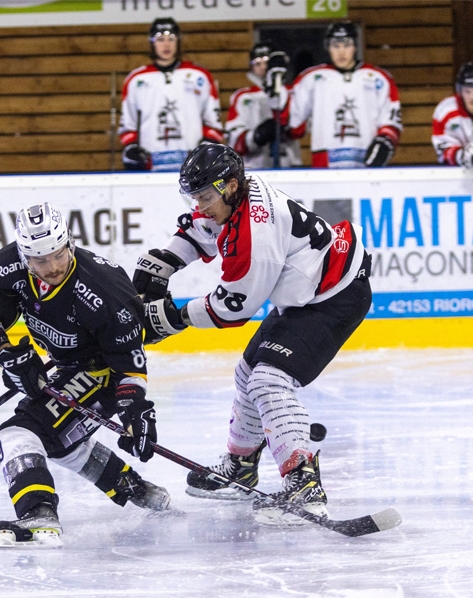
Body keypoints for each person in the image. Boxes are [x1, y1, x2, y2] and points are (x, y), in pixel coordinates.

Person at [132, 144, 372, 522]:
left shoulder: (255, 235)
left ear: (228, 186)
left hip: (333, 297)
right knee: (247, 373)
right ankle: (241, 467)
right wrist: (166, 260)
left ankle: (304, 486)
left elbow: (234, 307)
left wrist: (171, 318)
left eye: (205, 196)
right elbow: (206, 226)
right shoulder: (237, 195)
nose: (200, 206)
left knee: (268, 380)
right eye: (194, 197)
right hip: (309, 292)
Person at [0, 202, 170, 547]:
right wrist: (6, 353)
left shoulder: (105, 290)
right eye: (41, 260)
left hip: (103, 371)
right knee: (59, 443)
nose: (53, 266)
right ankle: (135, 488)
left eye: (58, 255)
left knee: (17, 435)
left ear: (69, 243)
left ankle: (39, 513)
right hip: (67, 364)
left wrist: (133, 410)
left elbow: (129, 365)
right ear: (26, 256)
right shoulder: (7, 266)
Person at [286, 21, 403, 168]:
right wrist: (278, 98)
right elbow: (293, 125)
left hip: (367, 158)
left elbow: (391, 120)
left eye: (347, 45)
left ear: (355, 46)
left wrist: (386, 140)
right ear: (328, 47)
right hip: (325, 160)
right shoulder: (310, 79)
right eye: (336, 46)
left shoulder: (379, 78)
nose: (341, 52)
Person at [118, 17, 224, 171]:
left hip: (194, 167)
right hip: (150, 166)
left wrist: (204, 150)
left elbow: (213, 122)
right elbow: (128, 125)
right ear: (152, 43)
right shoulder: (136, 79)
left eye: (171, 38)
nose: (166, 44)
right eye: (160, 39)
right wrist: (132, 147)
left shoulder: (199, 75)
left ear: (178, 41)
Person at [225, 40, 301, 169]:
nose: (263, 67)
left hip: (289, 165)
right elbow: (233, 141)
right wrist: (257, 136)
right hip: (254, 168)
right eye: (257, 63)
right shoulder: (242, 97)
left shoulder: (291, 92)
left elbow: (299, 128)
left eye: (266, 62)